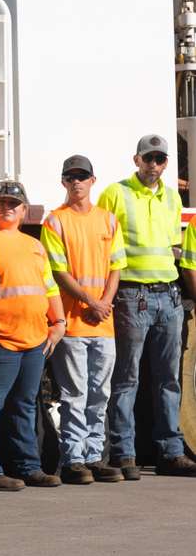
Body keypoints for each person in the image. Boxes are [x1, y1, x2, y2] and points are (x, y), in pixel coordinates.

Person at [97, 135, 196, 477]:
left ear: (167, 163)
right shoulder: (116, 193)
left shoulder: (171, 197)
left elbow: (175, 246)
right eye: (148, 158)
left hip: (168, 295)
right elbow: (103, 244)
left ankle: (170, 451)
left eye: (160, 158)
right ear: (136, 159)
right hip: (132, 296)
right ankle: (123, 453)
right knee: (127, 377)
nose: (154, 165)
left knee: (168, 378)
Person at [0, 181, 65, 491]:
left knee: (23, 406)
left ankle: (28, 467)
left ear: (24, 210)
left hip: (34, 340)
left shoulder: (34, 245)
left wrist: (59, 322)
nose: (8, 207)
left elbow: (49, 287)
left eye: (14, 204)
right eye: (2, 202)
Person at [40, 155, 127, 485]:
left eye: (82, 176)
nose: (76, 182)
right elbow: (59, 271)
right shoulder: (55, 221)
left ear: (93, 180)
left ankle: (94, 456)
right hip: (75, 322)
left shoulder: (108, 220)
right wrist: (92, 301)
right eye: (70, 177)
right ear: (63, 182)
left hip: (103, 323)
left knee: (99, 393)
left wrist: (105, 302)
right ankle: (74, 459)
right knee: (74, 394)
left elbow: (116, 266)